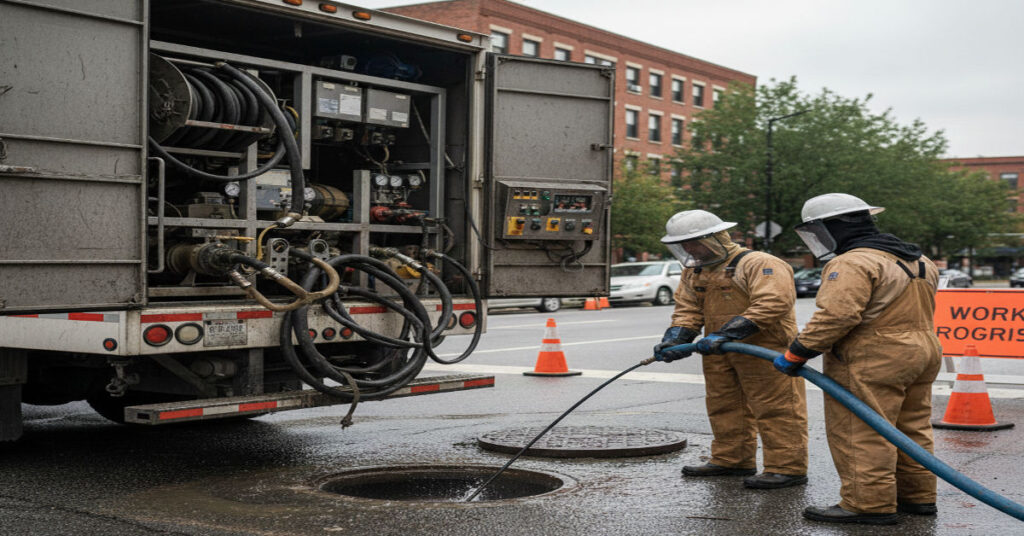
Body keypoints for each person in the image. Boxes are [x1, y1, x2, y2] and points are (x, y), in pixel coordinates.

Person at [775, 193, 941, 525]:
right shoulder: (919, 259)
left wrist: (797, 353)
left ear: (832, 228)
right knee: (912, 426)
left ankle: (868, 504)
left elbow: (836, 317)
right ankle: (918, 496)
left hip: (874, 356)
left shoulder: (852, 262)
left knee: (862, 429)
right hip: (923, 349)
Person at [653, 209, 808, 489]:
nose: (689, 249)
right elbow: (688, 310)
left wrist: (727, 333)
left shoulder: (759, 263)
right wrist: (676, 338)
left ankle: (786, 467)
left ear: (716, 238)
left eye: (693, 242)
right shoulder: (695, 271)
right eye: (683, 244)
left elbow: (772, 303)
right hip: (719, 350)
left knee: (777, 408)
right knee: (724, 405)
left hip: (764, 348)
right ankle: (732, 459)